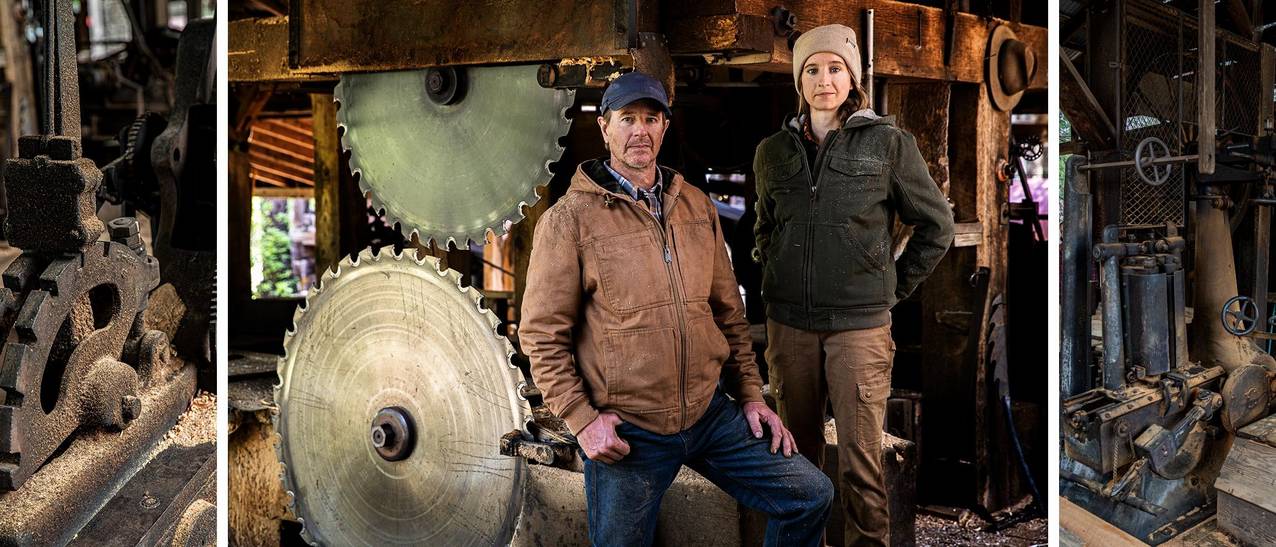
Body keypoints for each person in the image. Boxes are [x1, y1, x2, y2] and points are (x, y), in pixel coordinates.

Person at [520, 71, 833, 547]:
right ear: (604, 127)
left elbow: (728, 313)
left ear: (665, 127)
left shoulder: (696, 207)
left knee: (810, 495)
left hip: (709, 416)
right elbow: (541, 334)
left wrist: (750, 396)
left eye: (651, 118)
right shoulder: (569, 221)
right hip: (631, 429)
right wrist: (582, 420)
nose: (640, 130)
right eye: (627, 118)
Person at [752, 24, 956, 547]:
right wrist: (774, 267)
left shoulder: (888, 144)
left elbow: (937, 227)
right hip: (789, 328)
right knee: (793, 463)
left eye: (835, 68)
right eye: (813, 69)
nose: (824, 79)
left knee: (861, 466)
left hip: (859, 332)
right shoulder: (773, 152)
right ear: (799, 80)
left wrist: (890, 288)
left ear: (853, 77)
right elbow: (764, 227)